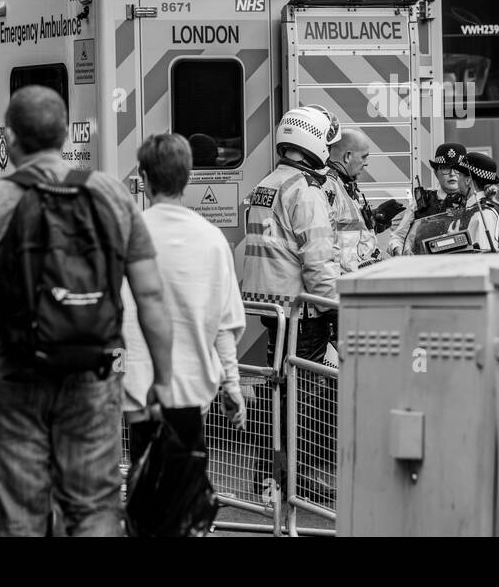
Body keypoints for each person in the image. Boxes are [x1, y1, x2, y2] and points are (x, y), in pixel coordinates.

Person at [0, 86, 175, 537]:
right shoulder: (112, 196)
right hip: (93, 379)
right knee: (94, 510)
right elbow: (151, 297)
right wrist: (163, 379)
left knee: (21, 519)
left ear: (11, 139)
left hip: (10, 380)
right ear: (64, 135)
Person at [121, 134, 245, 466]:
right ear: (188, 177)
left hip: (137, 386)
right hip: (192, 391)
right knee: (187, 484)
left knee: (145, 479)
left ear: (144, 180)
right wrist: (232, 384)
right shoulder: (213, 240)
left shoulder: (128, 235)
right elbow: (224, 325)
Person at [239, 106, 340, 367]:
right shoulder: (305, 189)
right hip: (303, 311)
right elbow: (317, 261)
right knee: (304, 392)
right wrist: (335, 308)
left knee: (280, 381)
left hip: (273, 307)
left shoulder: (267, 184)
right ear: (316, 140)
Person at [388, 142, 468, 256]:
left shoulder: (472, 202)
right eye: (445, 168)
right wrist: (399, 252)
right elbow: (397, 237)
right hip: (423, 268)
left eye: (457, 169)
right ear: (436, 173)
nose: (452, 174)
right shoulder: (421, 202)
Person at [324, 128, 380, 274]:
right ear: (348, 156)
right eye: (363, 157)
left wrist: (373, 221)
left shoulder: (343, 184)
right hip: (341, 285)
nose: (366, 163)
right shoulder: (329, 188)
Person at [453, 151, 499, 252]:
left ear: (468, 180)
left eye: (459, 174)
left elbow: (483, 253)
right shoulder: (475, 208)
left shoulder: (483, 214)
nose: (457, 178)